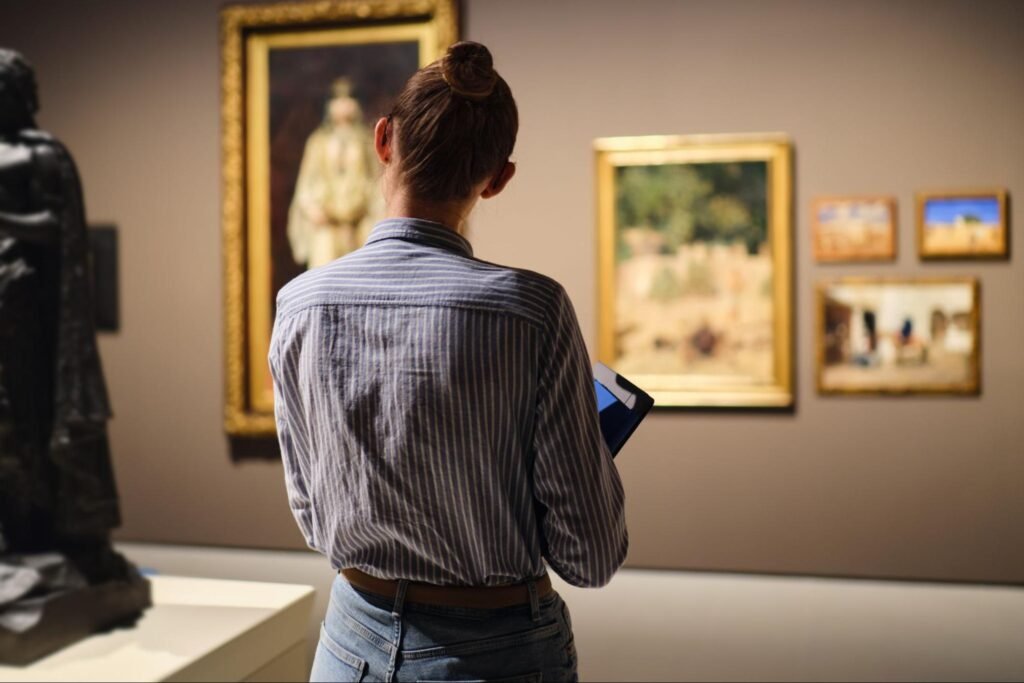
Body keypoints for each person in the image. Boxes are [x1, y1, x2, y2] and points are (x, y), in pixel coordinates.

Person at [269, 41, 627, 682]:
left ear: (383, 140)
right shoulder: (532, 311)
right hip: (496, 653)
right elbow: (591, 558)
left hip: (347, 640)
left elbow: (314, 519)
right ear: (498, 178)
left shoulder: (299, 305)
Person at [287, 78, 378, 269]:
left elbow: (377, 180)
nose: (343, 105)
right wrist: (313, 209)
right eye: (338, 100)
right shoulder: (318, 141)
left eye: (348, 99)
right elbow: (306, 184)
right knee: (324, 275)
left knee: (361, 275)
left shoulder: (366, 140)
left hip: (359, 225)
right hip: (327, 226)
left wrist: (366, 210)